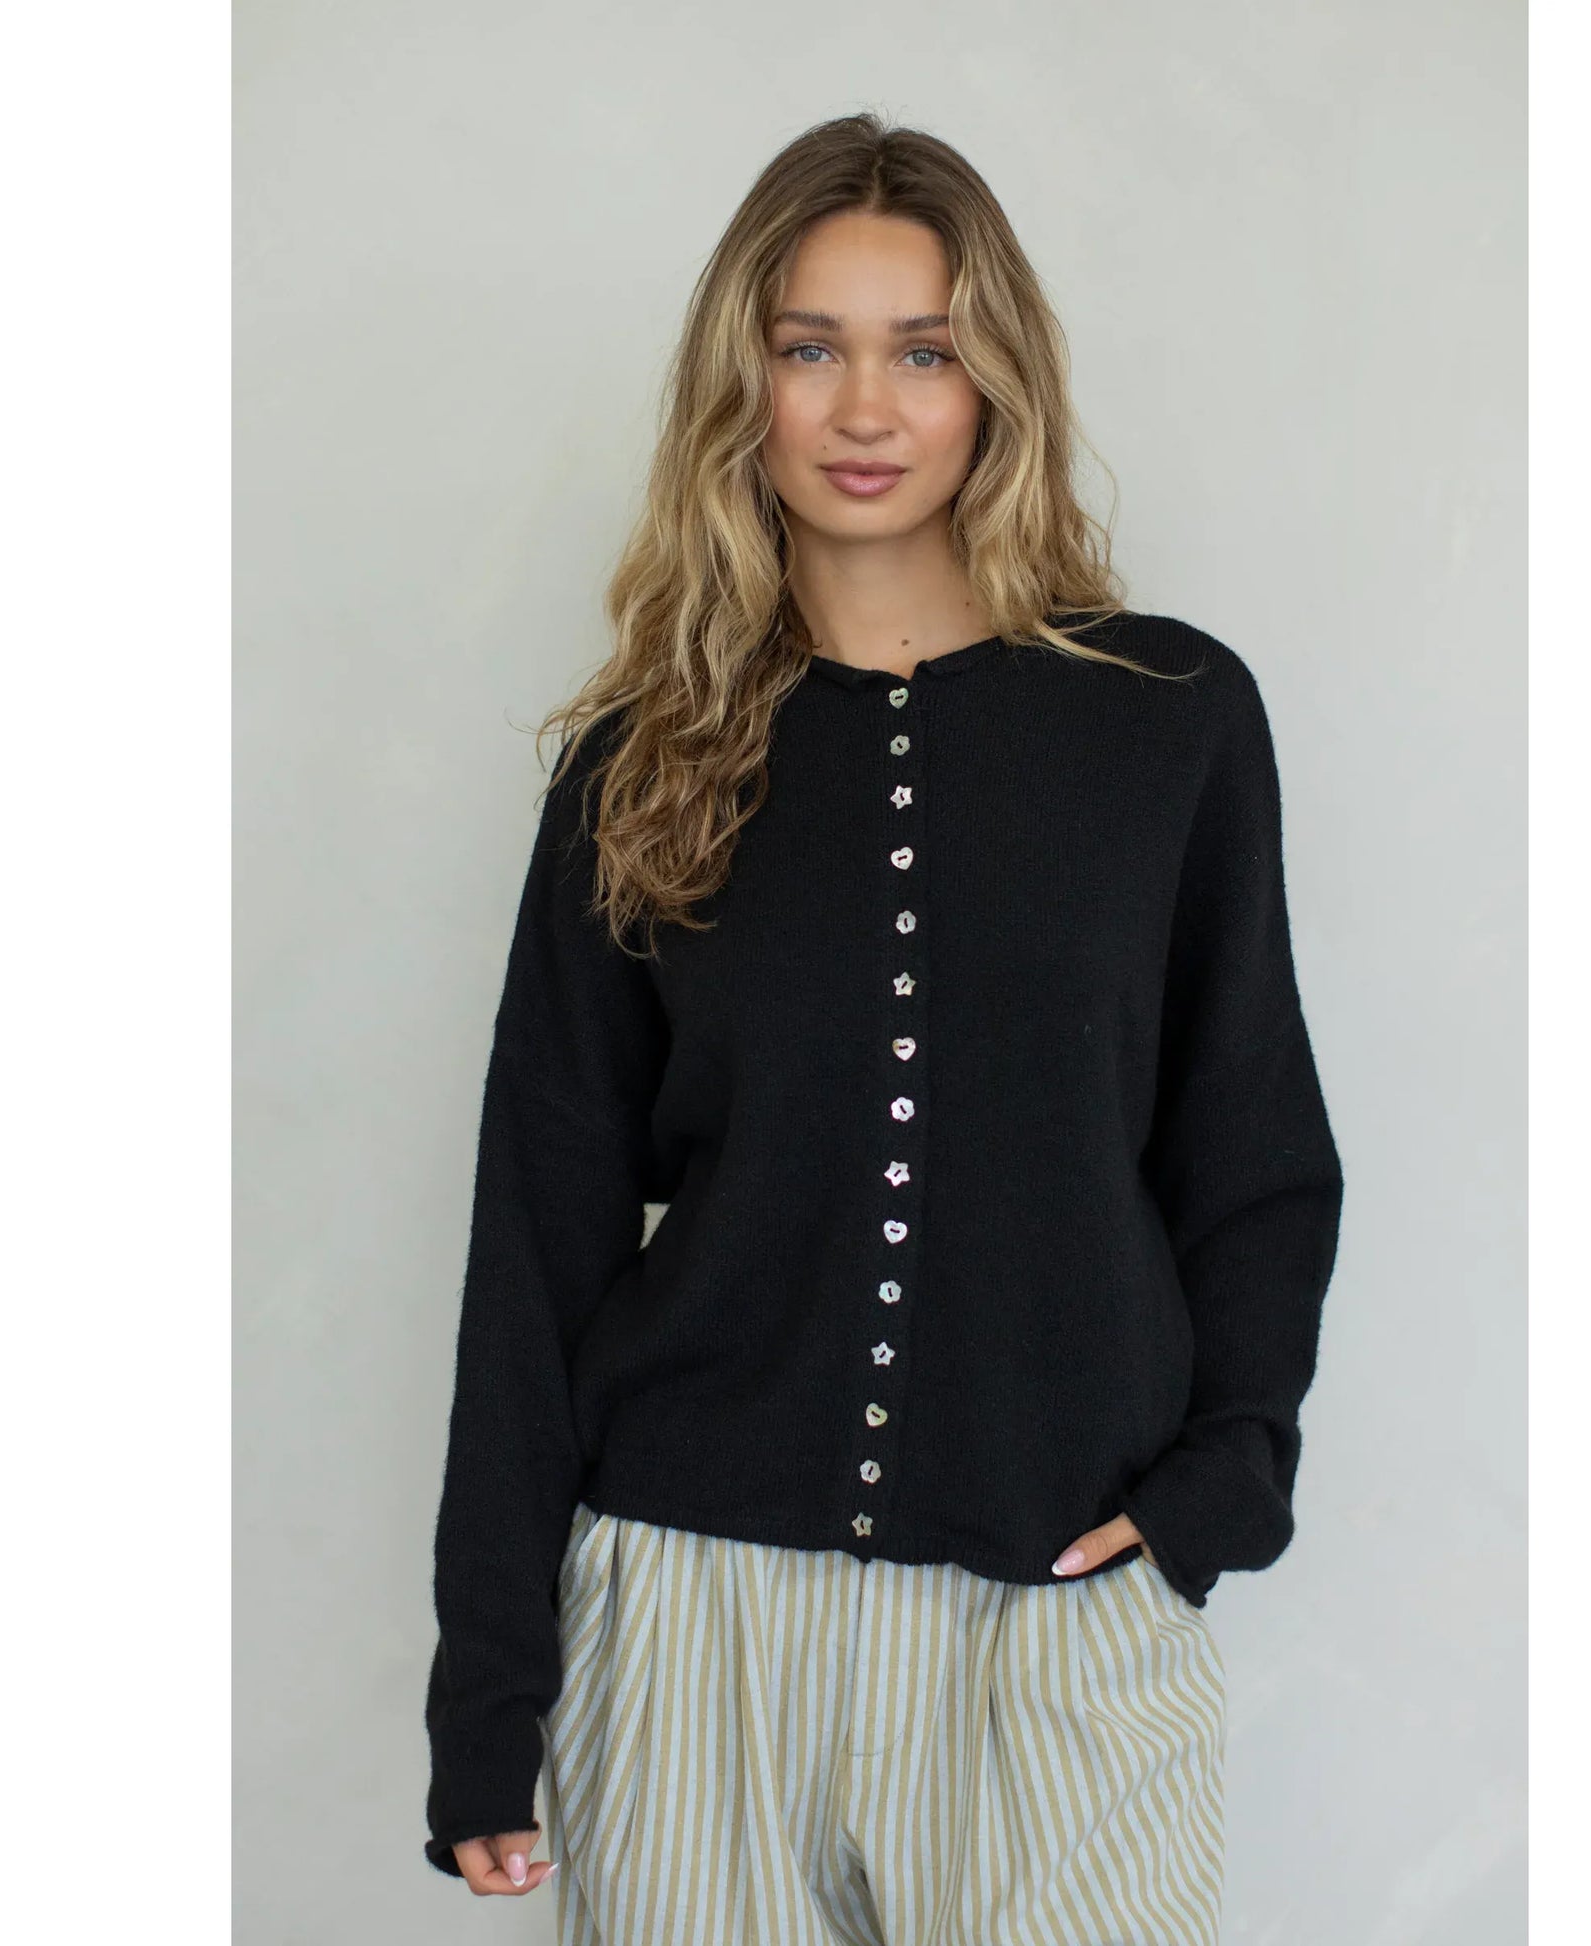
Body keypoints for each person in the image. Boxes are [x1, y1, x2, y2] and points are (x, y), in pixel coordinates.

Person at [422, 110, 1344, 1945]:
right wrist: (489, 1696)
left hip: (1056, 1608)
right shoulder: (638, 765)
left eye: (923, 351)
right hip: (693, 1626)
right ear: (742, 384)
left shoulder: (1165, 721)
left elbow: (1250, 1152)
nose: (865, 407)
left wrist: (1216, 1491)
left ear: (996, 383)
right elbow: (537, 1236)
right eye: (809, 347)